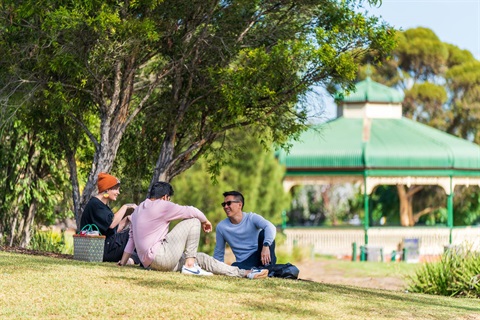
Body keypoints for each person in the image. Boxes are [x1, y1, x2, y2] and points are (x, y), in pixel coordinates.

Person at [118, 181, 268, 280]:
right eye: (169, 198)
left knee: (201, 258)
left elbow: (131, 240)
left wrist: (122, 263)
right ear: (165, 197)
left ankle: (245, 273)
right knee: (193, 221)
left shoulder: (136, 212)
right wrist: (205, 221)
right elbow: (190, 210)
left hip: (151, 263)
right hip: (161, 257)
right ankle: (190, 265)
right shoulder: (163, 205)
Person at [80, 172, 140, 264]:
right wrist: (126, 206)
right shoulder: (96, 205)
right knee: (134, 233)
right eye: (116, 189)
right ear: (107, 190)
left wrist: (127, 219)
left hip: (105, 247)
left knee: (134, 231)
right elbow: (112, 224)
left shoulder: (102, 206)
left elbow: (113, 229)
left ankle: (131, 259)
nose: (118, 192)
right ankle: (133, 259)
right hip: (100, 250)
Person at [214, 191, 277, 270]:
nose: (226, 207)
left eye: (229, 203)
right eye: (224, 204)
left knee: (265, 233)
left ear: (239, 205)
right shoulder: (221, 227)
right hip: (245, 262)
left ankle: (266, 269)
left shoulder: (251, 218)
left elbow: (271, 227)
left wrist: (266, 245)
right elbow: (218, 253)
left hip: (262, 255)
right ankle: (267, 270)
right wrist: (216, 270)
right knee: (235, 266)